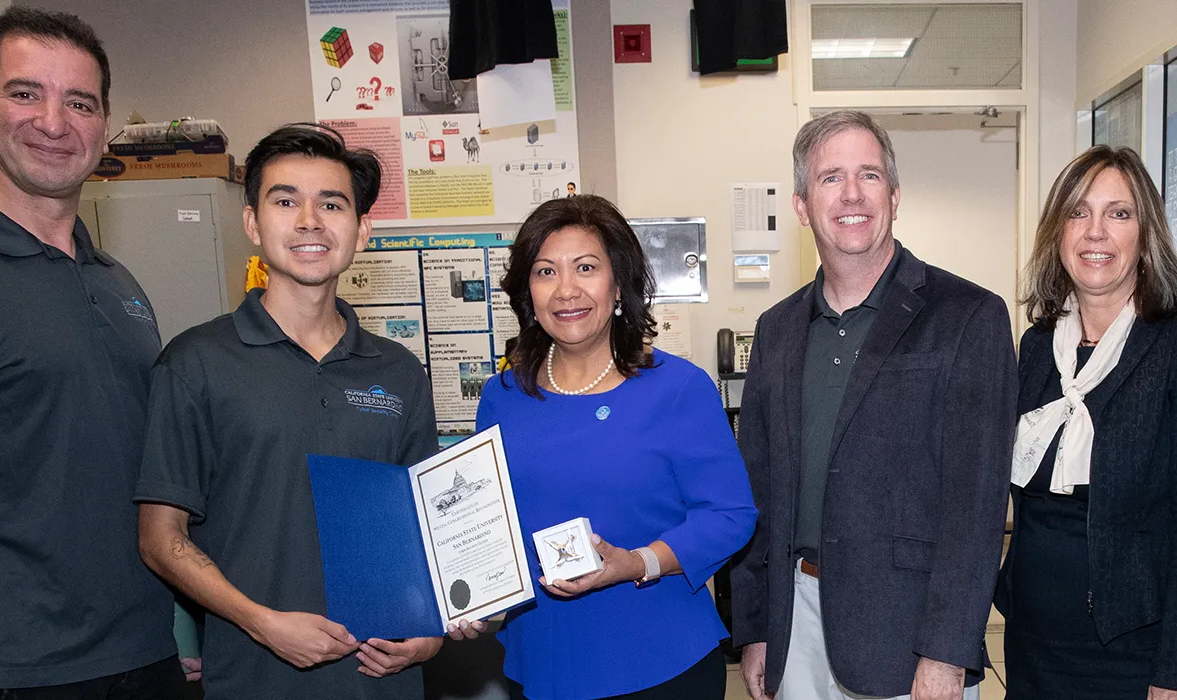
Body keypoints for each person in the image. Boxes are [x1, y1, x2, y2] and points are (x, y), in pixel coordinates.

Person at [134, 124, 443, 700]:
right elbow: (159, 538)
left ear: (362, 230)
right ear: (252, 222)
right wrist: (262, 622)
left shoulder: (398, 372)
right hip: (254, 677)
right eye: (285, 200)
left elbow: (430, 526)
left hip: (383, 682)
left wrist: (434, 632)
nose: (309, 221)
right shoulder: (196, 363)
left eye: (332, 203)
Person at [0, 7, 184, 698]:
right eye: (25, 92)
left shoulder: (120, 284)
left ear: (102, 125)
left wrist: (183, 627)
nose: (53, 121)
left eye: (79, 101)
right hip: (10, 673)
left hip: (148, 659)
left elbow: (136, 468)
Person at [730, 110, 1017, 700]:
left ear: (894, 193)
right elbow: (757, 492)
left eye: (869, 174)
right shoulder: (776, 330)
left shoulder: (968, 317)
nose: (852, 193)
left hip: (908, 637)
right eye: (831, 178)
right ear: (803, 206)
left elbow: (976, 505)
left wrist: (946, 651)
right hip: (796, 624)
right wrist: (756, 627)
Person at [450, 194, 757, 699]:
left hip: (661, 659)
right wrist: (470, 597)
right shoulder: (501, 397)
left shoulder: (678, 387)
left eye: (586, 268)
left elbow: (729, 515)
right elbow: (485, 523)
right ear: (527, 292)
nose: (566, 290)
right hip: (543, 657)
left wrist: (636, 562)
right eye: (546, 272)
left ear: (619, 284)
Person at [995, 146, 1177, 699]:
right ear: (1058, 233)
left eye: (1118, 214)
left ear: (1145, 237)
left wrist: (1171, 673)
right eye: (1079, 213)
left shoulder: (1168, 347)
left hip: (1130, 652)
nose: (1095, 232)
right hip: (1030, 642)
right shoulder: (1035, 347)